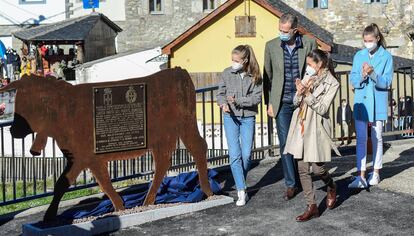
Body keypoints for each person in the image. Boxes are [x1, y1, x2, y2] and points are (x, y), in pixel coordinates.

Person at [263, 13, 318, 200]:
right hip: (282, 102)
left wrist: (309, 88)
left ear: (295, 30)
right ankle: (291, 184)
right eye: (280, 30)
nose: (282, 33)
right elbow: (268, 77)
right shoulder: (271, 46)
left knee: (304, 141)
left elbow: (317, 70)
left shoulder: (309, 43)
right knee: (286, 144)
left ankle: (306, 177)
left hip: (302, 101)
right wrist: (270, 102)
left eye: (285, 31)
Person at [284, 49, 339, 222]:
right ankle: (312, 206)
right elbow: (295, 102)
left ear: (320, 63)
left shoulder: (332, 83)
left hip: (316, 127)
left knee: (318, 168)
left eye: (310, 64)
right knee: (302, 168)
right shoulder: (308, 77)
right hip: (301, 124)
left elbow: (323, 109)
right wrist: (299, 92)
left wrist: (307, 95)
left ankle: (331, 186)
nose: (307, 67)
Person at [348, 23, 394, 188]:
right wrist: (362, 75)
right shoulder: (359, 55)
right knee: (361, 138)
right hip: (362, 102)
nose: (367, 43)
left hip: (378, 101)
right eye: (365, 40)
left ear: (377, 38)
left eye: (370, 40)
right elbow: (352, 80)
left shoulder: (387, 57)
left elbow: (387, 82)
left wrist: (373, 73)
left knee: (377, 138)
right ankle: (360, 175)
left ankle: (375, 172)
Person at [217, 45, 262, 206]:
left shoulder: (255, 76)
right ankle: (242, 191)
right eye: (232, 60)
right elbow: (220, 94)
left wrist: (238, 101)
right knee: (234, 155)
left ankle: (240, 181)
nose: (233, 63)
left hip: (248, 117)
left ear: (245, 61)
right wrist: (223, 104)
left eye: (236, 61)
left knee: (246, 155)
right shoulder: (226, 73)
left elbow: (256, 99)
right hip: (230, 117)